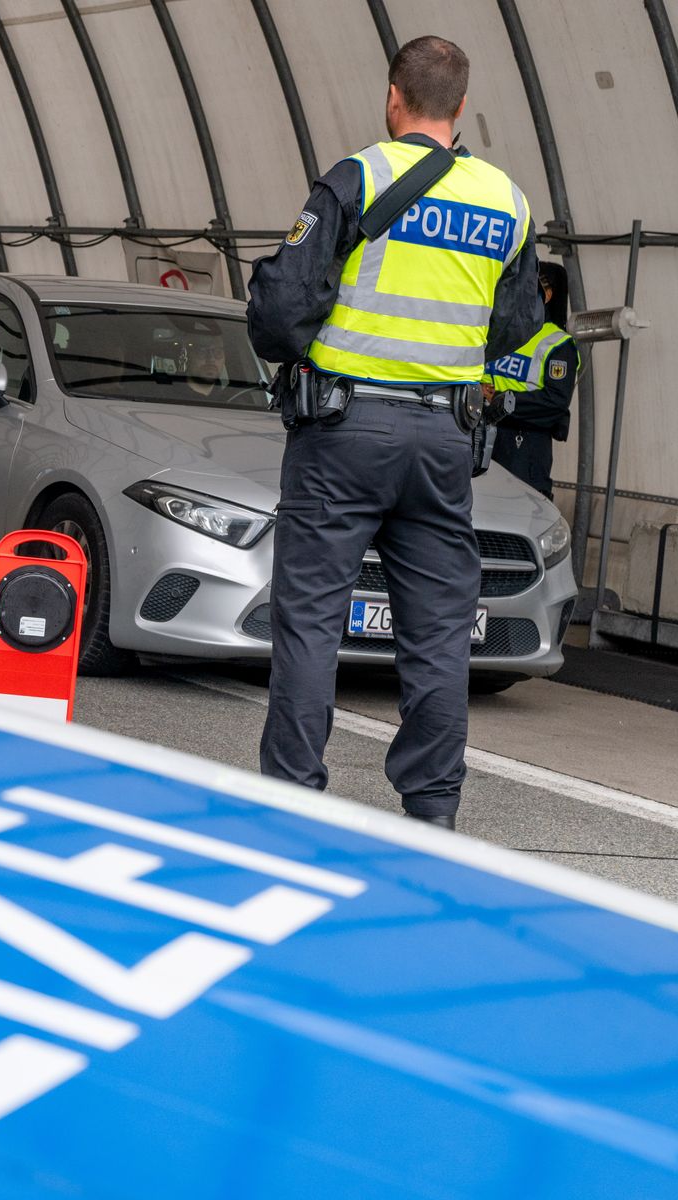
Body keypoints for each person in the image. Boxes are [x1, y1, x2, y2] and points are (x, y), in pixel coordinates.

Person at [245, 35, 542, 831]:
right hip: (445, 439)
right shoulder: (507, 202)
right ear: (462, 106)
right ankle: (432, 810)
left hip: (342, 432)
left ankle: (292, 795)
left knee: (310, 616)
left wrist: (306, 349)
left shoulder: (359, 176)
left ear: (393, 97)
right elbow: (517, 327)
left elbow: (279, 311)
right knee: (440, 631)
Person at [481, 261, 578, 497]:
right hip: (481, 433)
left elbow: (554, 403)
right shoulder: (496, 330)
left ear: (548, 295)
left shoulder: (557, 343)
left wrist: (501, 400)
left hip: (524, 445)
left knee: (518, 508)